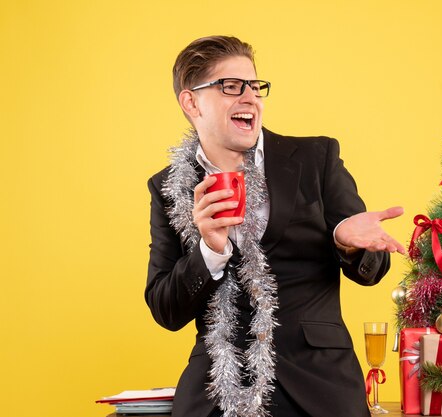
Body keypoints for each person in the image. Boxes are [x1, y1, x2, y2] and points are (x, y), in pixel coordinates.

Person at [145, 35, 405, 417]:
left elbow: (372, 271)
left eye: (254, 86)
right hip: (217, 389)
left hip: (319, 384)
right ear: (191, 102)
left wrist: (348, 244)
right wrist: (209, 249)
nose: (249, 97)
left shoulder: (316, 158)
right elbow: (165, 310)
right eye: (230, 87)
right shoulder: (169, 186)